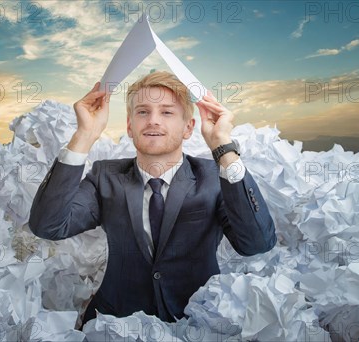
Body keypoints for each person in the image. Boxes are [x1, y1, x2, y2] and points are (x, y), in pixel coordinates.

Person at [29, 71, 276, 324]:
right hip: (115, 324)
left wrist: (223, 146)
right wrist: (84, 135)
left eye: (167, 112)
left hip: (196, 323)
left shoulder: (214, 176)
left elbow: (257, 243)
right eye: (143, 112)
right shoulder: (106, 176)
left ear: (188, 127)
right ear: (129, 126)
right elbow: (49, 225)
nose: (153, 121)